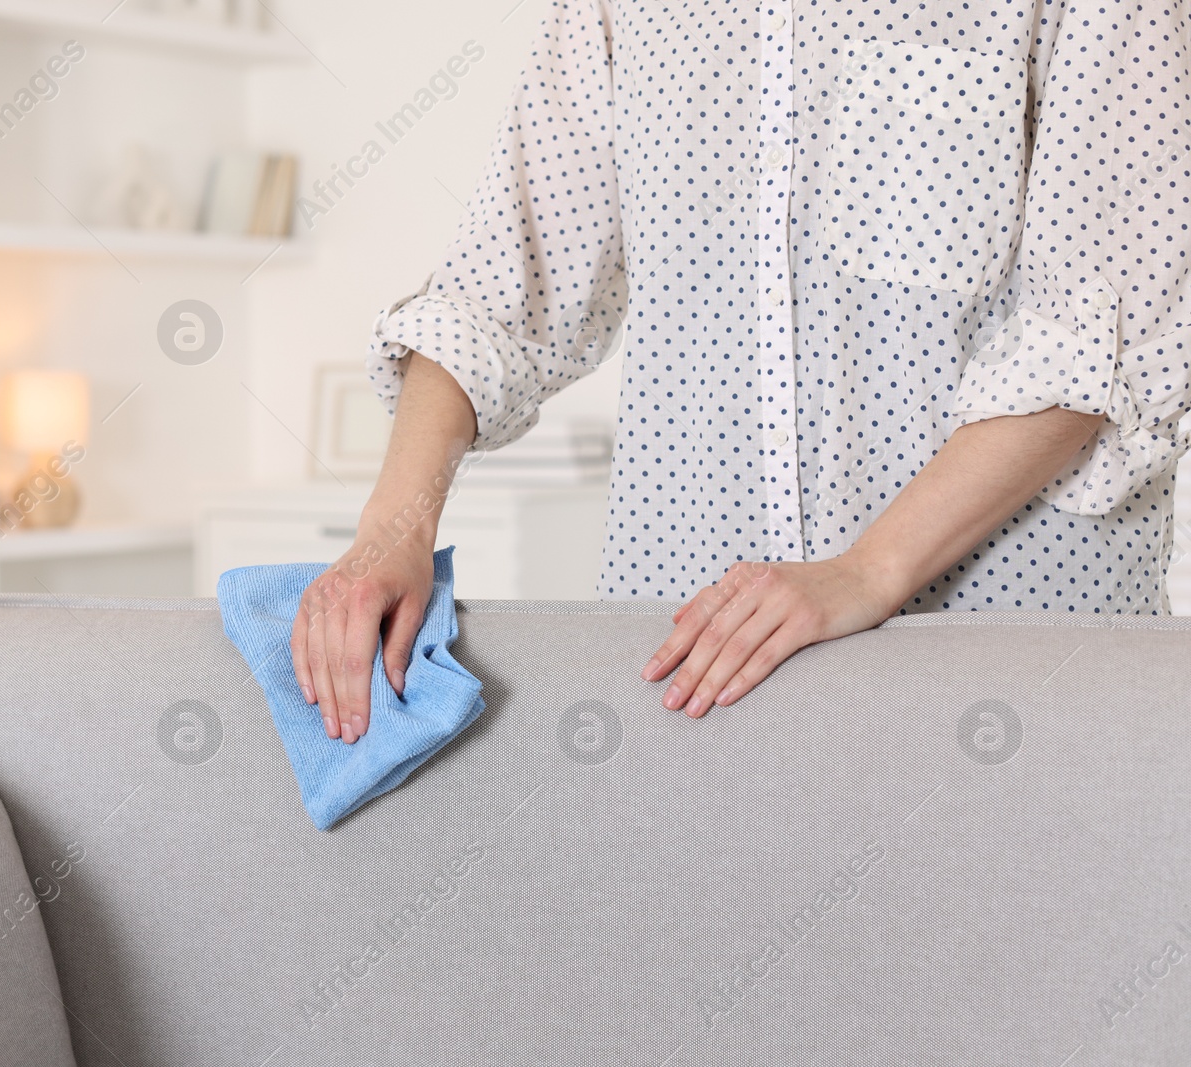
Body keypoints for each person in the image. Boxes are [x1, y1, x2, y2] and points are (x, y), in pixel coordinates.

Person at [292, 0, 1191, 742]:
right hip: (694, 670)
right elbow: (498, 290)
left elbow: (1108, 327)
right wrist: (390, 530)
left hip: (1010, 668)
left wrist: (868, 572)